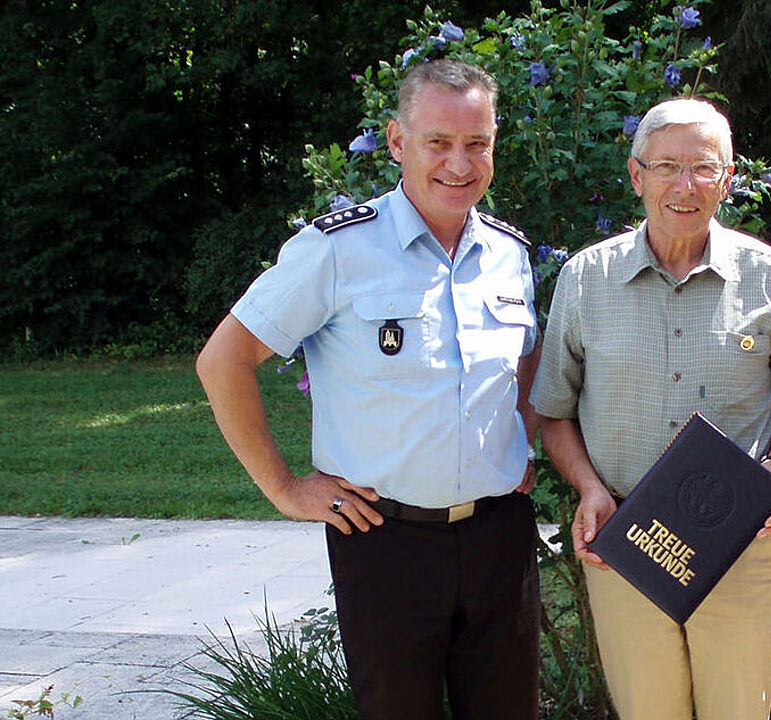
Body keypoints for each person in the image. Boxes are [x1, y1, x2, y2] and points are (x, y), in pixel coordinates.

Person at [195, 60, 541, 720]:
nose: (459, 164)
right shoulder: (336, 250)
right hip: (386, 541)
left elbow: (525, 354)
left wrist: (519, 435)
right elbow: (224, 360)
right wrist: (284, 489)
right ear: (397, 141)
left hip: (499, 535)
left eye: (477, 143)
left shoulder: (508, 253)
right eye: (438, 142)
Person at [533, 98, 771, 720]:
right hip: (628, 539)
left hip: (739, 541)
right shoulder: (585, 279)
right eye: (665, 166)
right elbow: (553, 411)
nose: (684, 186)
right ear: (636, 176)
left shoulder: (768, 275)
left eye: (703, 167)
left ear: (728, 178)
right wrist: (588, 489)